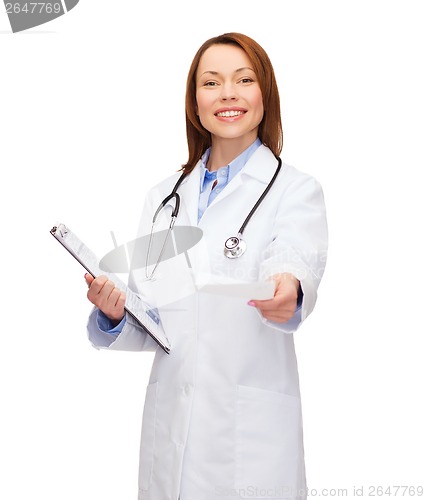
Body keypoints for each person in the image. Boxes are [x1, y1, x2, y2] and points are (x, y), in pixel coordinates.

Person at [85, 32, 328, 500]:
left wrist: (288, 290)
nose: (228, 94)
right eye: (211, 82)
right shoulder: (163, 199)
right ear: (195, 103)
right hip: (170, 434)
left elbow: (294, 258)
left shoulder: (294, 190)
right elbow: (155, 323)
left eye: (244, 79)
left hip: (249, 442)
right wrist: (115, 314)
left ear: (265, 95)